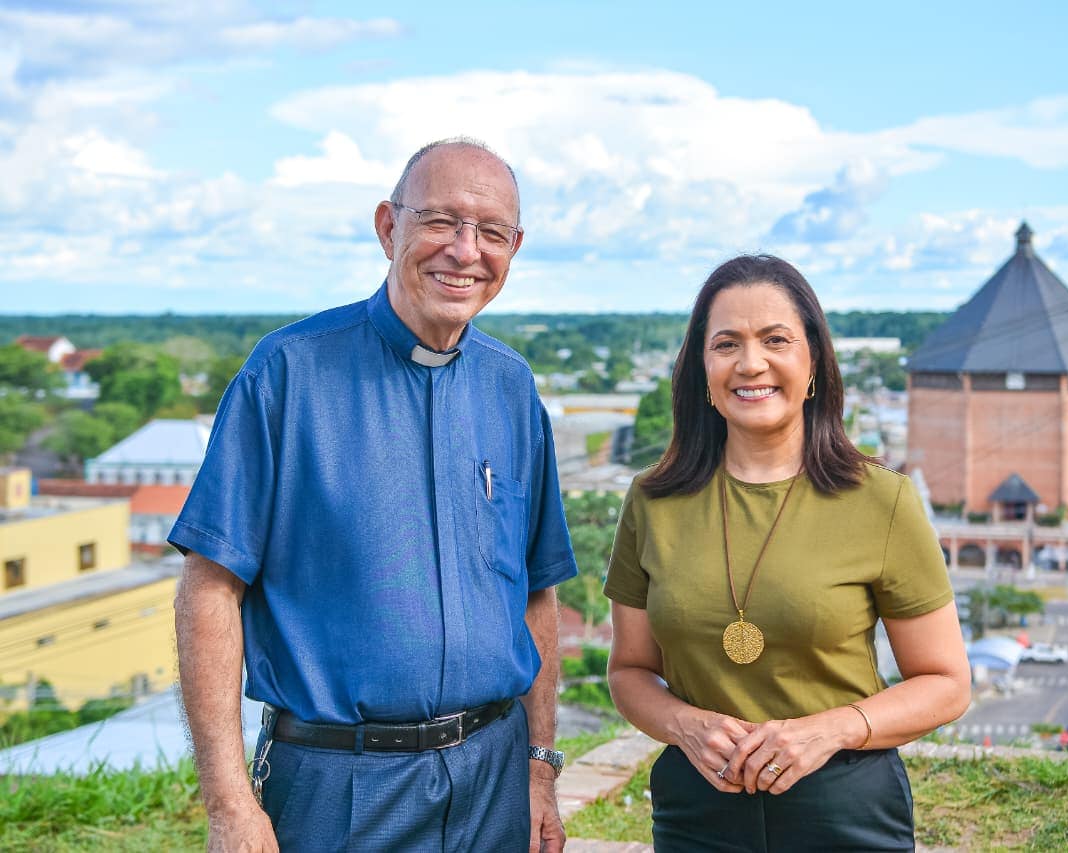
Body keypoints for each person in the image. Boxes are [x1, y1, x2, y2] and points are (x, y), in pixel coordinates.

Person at [171, 138, 577, 853]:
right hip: (340, 785)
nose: (464, 250)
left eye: (490, 232)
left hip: (494, 778)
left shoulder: (513, 388)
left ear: (514, 248)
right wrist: (230, 803)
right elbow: (209, 590)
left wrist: (539, 768)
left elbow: (536, 595)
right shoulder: (286, 373)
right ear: (389, 227)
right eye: (440, 221)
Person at [605, 255, 970, 851]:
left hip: (846, 805)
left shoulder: (883, 501)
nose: (752, 363)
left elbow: (946, 683)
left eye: (775, 340)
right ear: (702, 369)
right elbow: (629, 672)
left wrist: (830, 731)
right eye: (726, 344)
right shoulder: (652, 501)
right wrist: (684, 724)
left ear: (814, 366)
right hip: (698, 808)